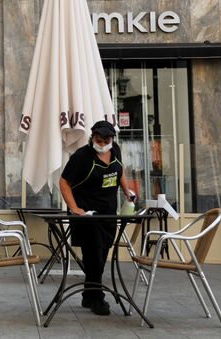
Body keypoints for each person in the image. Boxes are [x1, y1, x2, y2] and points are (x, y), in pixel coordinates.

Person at [59, 120, 134, 316]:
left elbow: (119, 171)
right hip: (86, 215)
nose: (101, 144)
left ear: (112, 139)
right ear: (92, 137)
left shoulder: (115, 150)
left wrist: (127, 191)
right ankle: (98, 298)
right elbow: (64, 181)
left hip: (109, 213)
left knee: (101, 255)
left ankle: (88, 295)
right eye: (98, 140)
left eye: (105, 140)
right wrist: (74, 208)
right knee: (94, 257)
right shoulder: (82, 156)